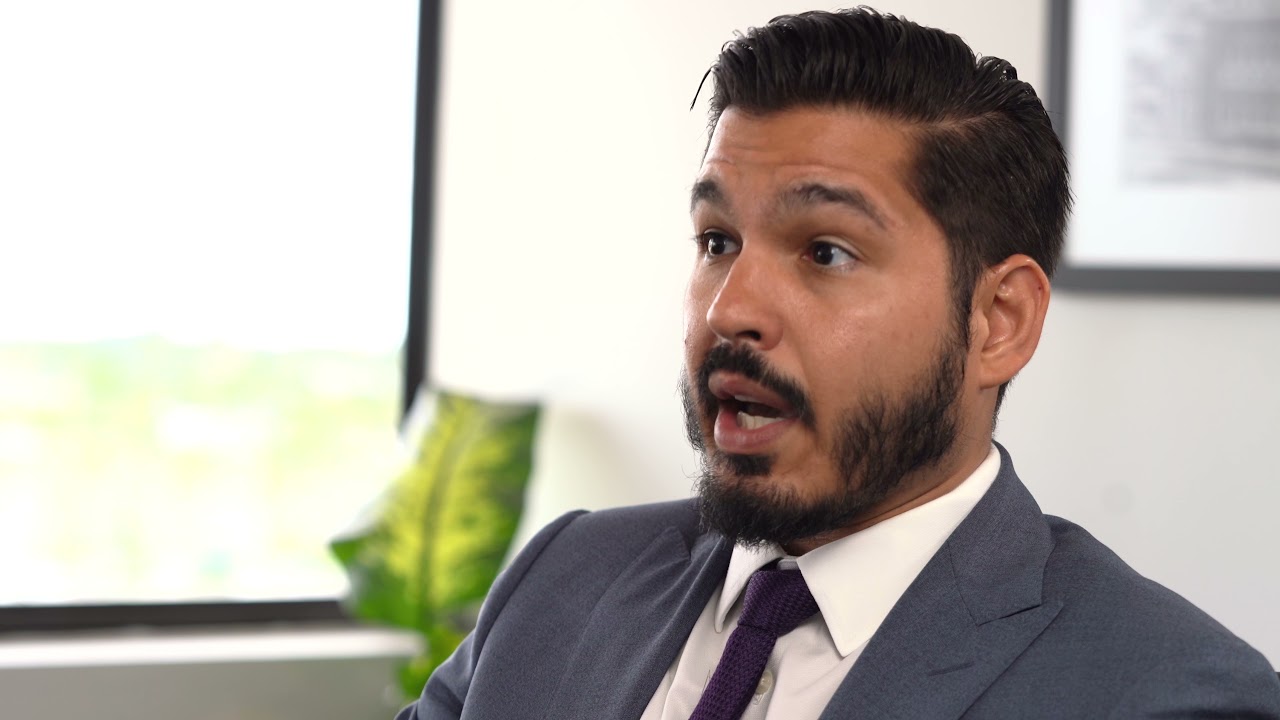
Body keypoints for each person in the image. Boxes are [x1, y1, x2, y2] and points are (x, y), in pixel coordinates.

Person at [397, 7, 1280, 719]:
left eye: (825, 252)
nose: (729, 309)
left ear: (998, 321)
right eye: (717, 240)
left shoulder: (1171, 693)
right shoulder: (564, 576)